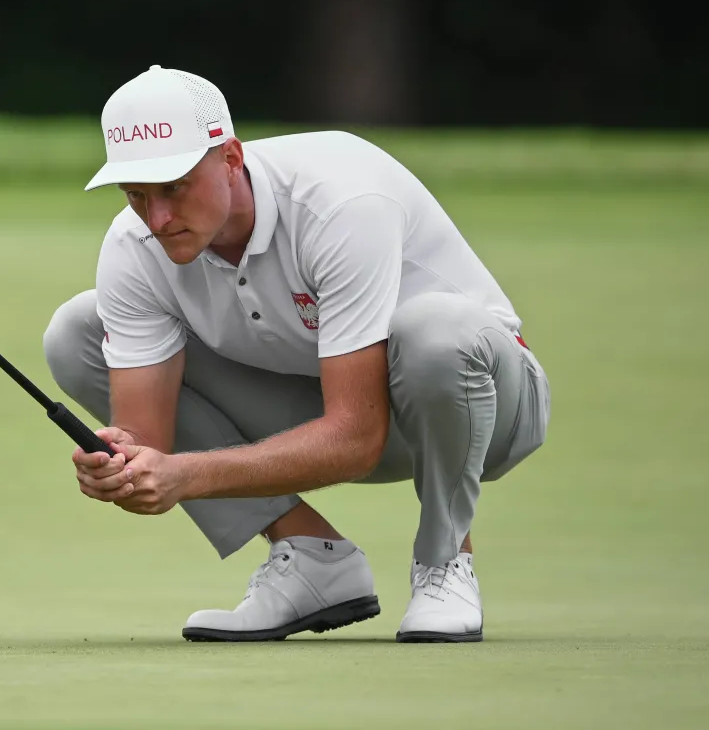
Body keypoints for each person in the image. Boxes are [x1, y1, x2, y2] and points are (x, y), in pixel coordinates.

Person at [42, 65, 551, 643]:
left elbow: (356, 440)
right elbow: (150, 446)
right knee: (77, 331)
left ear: (230, 158)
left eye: (174, 188)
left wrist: (184, 475)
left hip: (482, 406)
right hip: (326, 409)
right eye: (137, 195)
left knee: (434, 329)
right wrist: (125, 469)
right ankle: (313, 557)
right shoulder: (133, 247)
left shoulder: (339, 201)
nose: (156, 219)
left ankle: (444, 562)